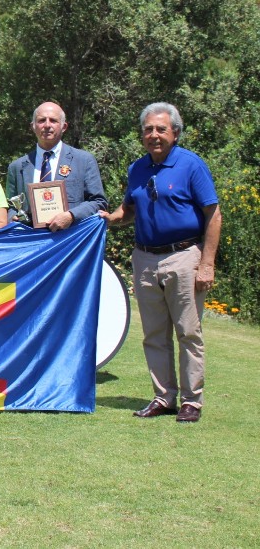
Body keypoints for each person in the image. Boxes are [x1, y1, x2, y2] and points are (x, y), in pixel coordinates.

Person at [102, 102, 221, 423]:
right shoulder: (137, 169)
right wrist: (110, 218)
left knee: (188, 332)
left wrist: (207, 263)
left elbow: (213, 214)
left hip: (184, 257)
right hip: (145, 259)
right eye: (148, 130)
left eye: (161, 129)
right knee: (154, 334)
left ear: (176, 133)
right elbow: (129, 210)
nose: (154, 135)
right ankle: (164, 397)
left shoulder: (191, 165)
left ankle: (191, 402)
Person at [5, 101, 108, 230]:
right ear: (33, 126)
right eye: (41, 120)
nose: (47, 125)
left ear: (64, 127)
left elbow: (99, 202)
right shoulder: (17, 167)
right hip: (31, 242)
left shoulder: (84, 160)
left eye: (53, 120)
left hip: (70, 240)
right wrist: (12, 217)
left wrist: (71, 215)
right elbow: (10, 207)